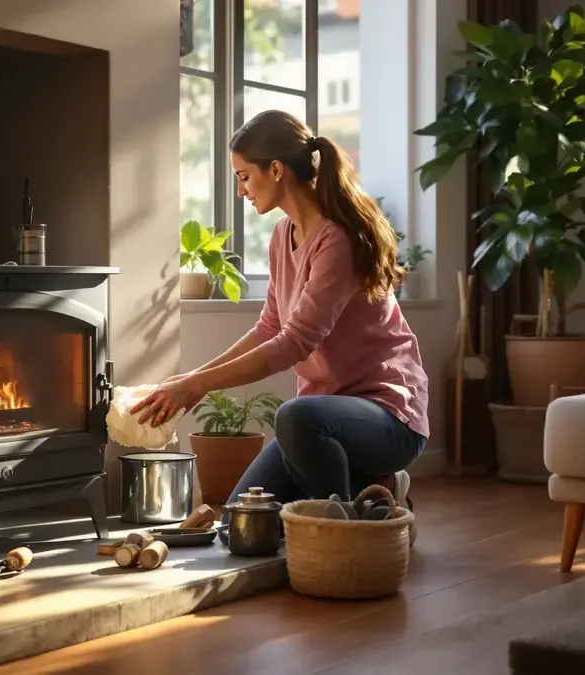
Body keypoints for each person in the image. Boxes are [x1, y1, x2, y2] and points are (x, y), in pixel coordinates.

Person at [132, 110, 429, 542]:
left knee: (294, 417)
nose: (240, 190)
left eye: (244, 177)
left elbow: (294, 343)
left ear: (276, 169)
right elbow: (271, 324)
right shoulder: (281, 235)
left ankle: (357, 534)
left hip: (388, 418)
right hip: (322, 423)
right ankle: (371, 497)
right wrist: (193, 378)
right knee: (240, 526)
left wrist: (199, 386)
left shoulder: (337, 240)